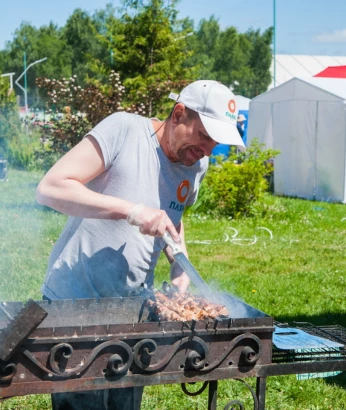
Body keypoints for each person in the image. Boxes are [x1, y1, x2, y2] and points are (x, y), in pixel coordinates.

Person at [35, 80, 245, 410]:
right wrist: (131, 210)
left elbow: (172, 216)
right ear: (179, 114)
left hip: (134, 311)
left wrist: (179, 261)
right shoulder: (124, 130)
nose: (208, 149)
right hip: (74, 304)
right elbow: (50, 188)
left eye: (215, 142)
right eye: (204, 135)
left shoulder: (196, 164)